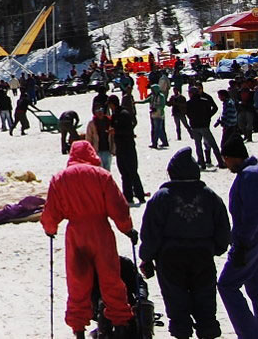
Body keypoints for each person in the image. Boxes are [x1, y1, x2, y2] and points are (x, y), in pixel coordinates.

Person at [40, 140, 138, 338]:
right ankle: (119, 325)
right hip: (101, 232)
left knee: (78, 283)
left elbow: (51, 211)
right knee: (111, 279)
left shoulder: (60, 179)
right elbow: (118, 207)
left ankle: (78, 330)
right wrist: (127, 229)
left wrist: (50, 229)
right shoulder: (102, 176)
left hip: (76, 233)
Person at [140, 147, 230, 339]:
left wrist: (146, 258)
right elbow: (223, 228)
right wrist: (215, 248)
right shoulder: (210, 196)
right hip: (203, 256)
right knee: (205, 304)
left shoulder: (162, 197)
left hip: (170, 259)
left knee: (177, 304)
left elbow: (150, 231)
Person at [218, 131, 258, 337]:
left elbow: (255, 214)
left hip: (250, 241)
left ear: (233, 157)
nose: (225, 163)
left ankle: (250, 334)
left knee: (227, 285)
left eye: (225, 159)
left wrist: (241, 245)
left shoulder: (249, 175)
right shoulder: (254, 172)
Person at [114, 95, 148, 206]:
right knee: (124, 173)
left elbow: (128, 130)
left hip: (128, 147)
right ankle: (128, 197)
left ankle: (140, 195)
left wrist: (116, 131)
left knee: (133, 172)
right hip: (120, 148)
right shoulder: (115, 115)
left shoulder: (124, 114)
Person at [186, 85, 223, 170]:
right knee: (213, 144)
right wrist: (208, 116)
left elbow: (188, 114)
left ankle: (202, 164)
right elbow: (213, 109)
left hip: (195, 126)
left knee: (198, 146)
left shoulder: (188, 103)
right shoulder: (205, 101)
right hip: (204, 125)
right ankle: (220, 161)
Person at [86, 102, 115, 172]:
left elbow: (113, 137)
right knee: (99, 170)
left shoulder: (109, 121)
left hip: (108, 150)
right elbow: (88, 138)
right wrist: (90, 152)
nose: (99, 112)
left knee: (107, 170)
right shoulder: (92, 123)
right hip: (97, 151)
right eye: (97, 110)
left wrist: (114, 149)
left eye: (101, 109)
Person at [149, 80, 170, 150]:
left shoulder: (161, 96)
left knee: (157, 130)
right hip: (153, 115)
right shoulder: (152, 96)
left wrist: (155, 107)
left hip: (159, 115)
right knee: (159, 129)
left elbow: (162, 105)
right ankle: (164, 142)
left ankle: (155, 143)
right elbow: (146, 100)